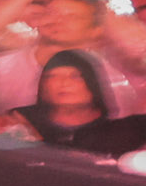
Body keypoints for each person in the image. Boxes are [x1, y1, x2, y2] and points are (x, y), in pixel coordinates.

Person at [17, 49, 146, 155]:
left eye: (75, 76)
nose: (63, 83)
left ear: (93, 84)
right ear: (42, 87)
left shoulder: (128, 132)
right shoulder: (20, 121)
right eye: (52, 76)